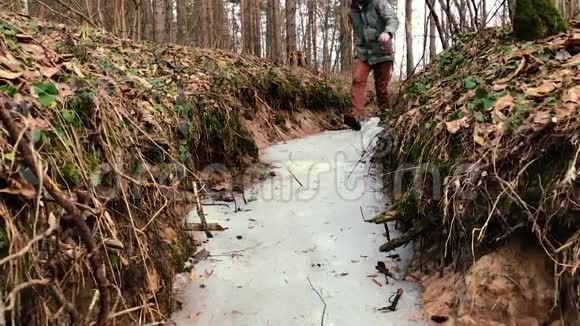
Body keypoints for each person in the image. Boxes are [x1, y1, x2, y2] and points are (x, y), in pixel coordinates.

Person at [344, 0, 399, 131]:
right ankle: (355, 116)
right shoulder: (353, 10)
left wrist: (388, 32)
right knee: (357, 79)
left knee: (381, 89)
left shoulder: (378, 2)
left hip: (382, 51)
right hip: (365, 54)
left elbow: (393, 19)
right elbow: (358, 32)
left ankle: (386, 117)